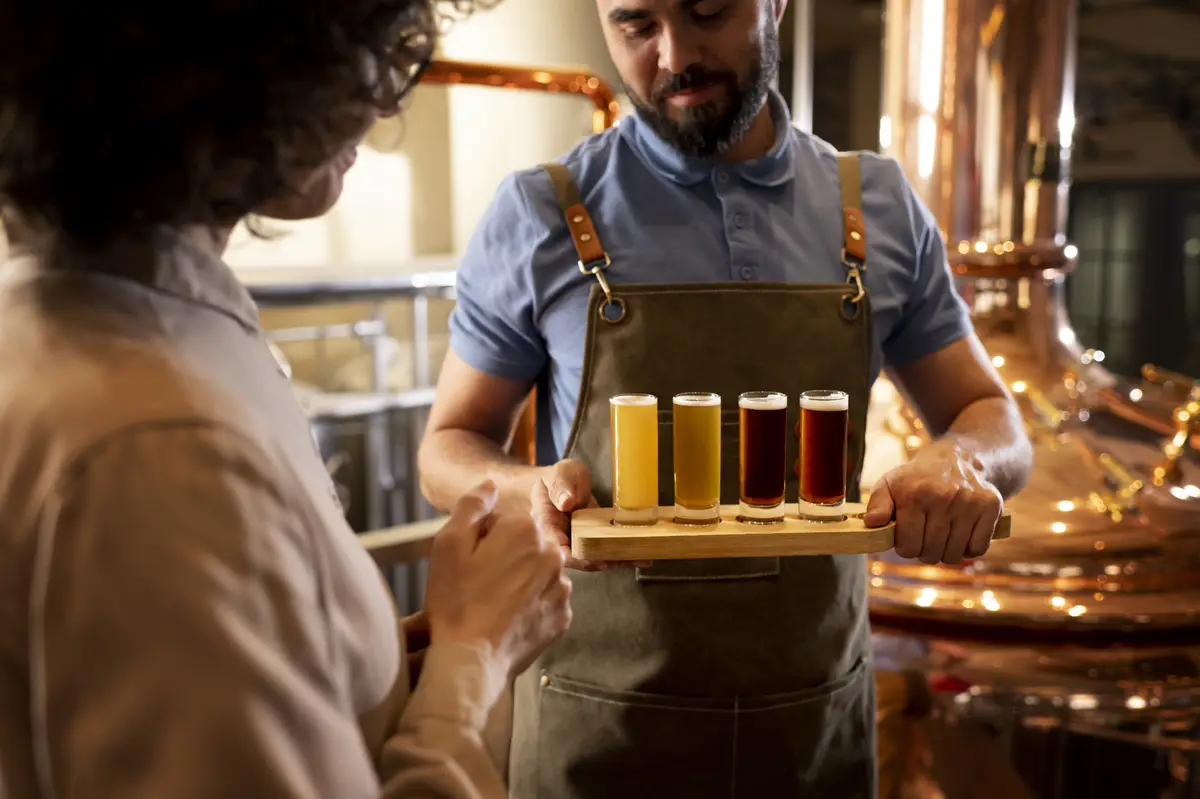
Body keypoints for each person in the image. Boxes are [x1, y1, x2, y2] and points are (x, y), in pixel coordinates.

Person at [417, 0, 1035, 795]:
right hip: (599, 731)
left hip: (811, 731)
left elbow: (997, 421)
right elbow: (447, 446)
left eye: (708, 11)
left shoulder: (874, 205)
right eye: (636, 26)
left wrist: (961, 457)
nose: (676, 55)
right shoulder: (540, 212)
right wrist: (519, 486)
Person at [0, 1, 573, 798]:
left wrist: (399, 660)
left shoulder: (123, 329)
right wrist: (475, 660)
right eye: (355, 44)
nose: (383, 96)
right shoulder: (163, 447)